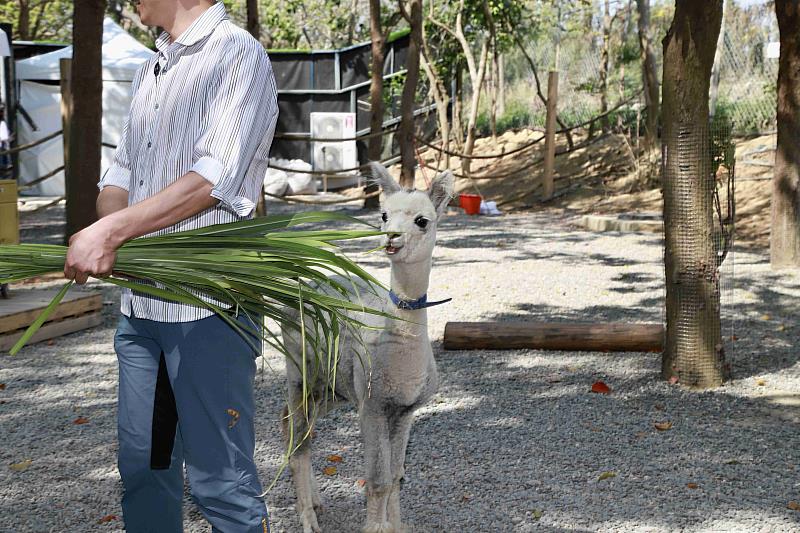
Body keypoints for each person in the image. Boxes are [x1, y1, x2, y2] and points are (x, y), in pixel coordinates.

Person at [63, 1, 278, 531]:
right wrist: (117, 235)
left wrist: (112, 233)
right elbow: (120, 173)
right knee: (146, 468)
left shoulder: (238, 56)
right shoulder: (152, 68)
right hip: (142, 310)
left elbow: (214, 178)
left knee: (220, 481)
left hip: (209, 313)